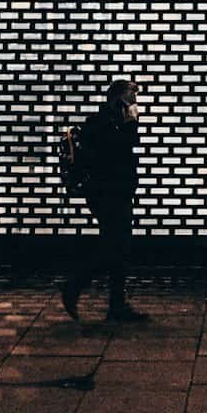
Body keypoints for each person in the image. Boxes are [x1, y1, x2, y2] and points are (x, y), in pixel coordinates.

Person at [62, 79, 149, 323]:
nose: (134, 105)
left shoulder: (111, 123)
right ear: (118, 100)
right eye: (131, 100)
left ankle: (116, 305)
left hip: (116, 193)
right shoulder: (101, 124)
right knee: (114, 247)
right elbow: (119, 151)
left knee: (118, 248)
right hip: (107, 194)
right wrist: (131, 124)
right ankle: (75, 287)